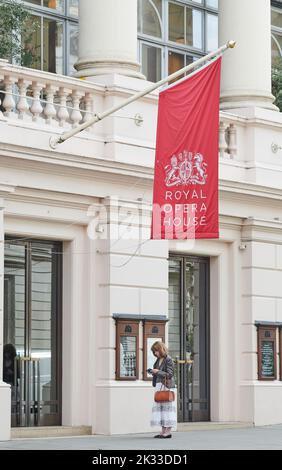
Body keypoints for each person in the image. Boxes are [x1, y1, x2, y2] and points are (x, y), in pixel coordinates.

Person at [149, 341, 177, 439]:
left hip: (166, 386)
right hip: (159, 385)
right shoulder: (158, 360)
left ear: (161, 349)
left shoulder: (168, 359)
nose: (155, 353)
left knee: (167, 409)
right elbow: (160, 373)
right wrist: (153, 372)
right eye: (154, 352)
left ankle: (168, 432)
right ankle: (163, 431)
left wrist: (158, 372)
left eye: (156, 351)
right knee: (161, 409)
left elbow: (169, 374)